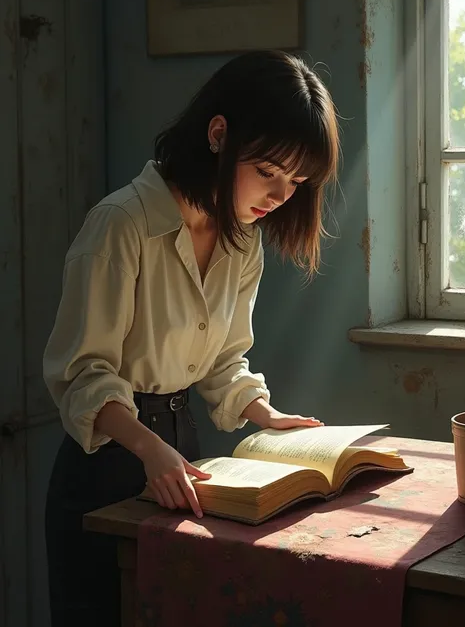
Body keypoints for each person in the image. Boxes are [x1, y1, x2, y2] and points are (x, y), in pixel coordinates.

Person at [43, 49, 340, 627]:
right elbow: (83, 374)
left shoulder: (241, 238)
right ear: (219, 134)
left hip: (184, 454)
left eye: (297, 182)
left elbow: (224, 358)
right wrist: (151, 449)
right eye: (269, 172)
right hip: (107, 462)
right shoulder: (121, 225)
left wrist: (266, 415)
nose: (281, 196)